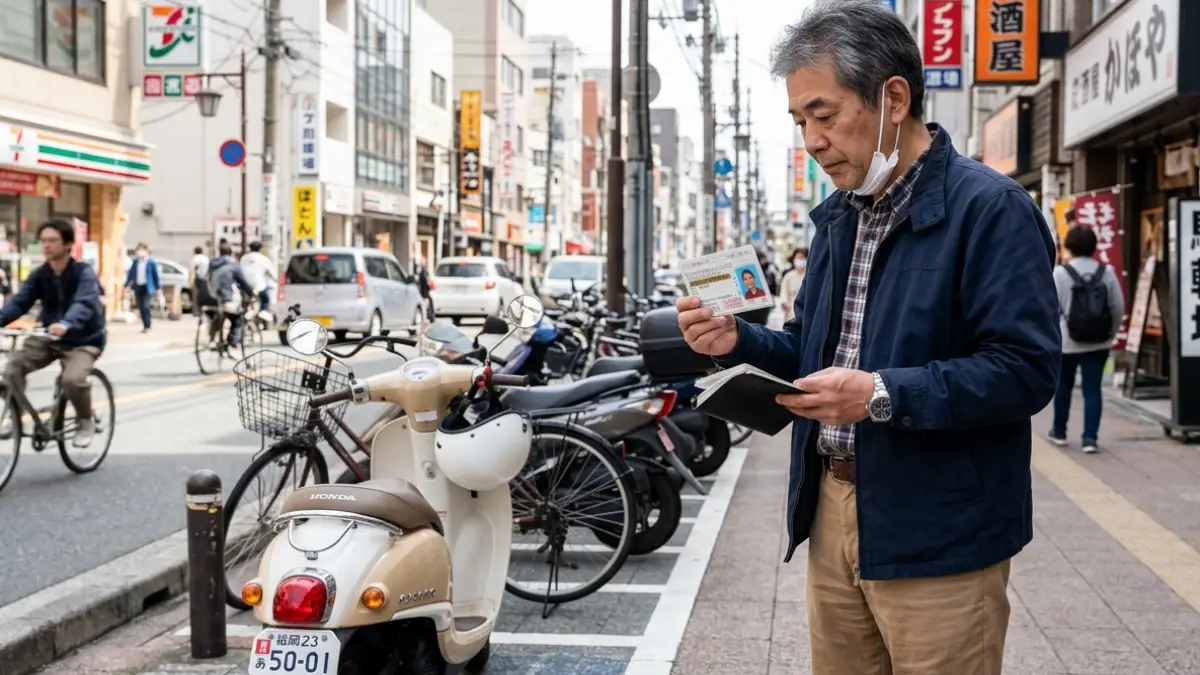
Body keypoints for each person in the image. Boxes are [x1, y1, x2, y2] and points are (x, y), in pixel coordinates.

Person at [674, 2, 1060, 673]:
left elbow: (1025, 369)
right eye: (800, 123)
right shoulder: (839, 219)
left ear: (894, 97)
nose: (812, 141)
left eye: (824, 115)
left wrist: (881, 394)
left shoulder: (990, 209)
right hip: (831, 508)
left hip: (942, 530)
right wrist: (733, 340)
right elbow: (807, 353)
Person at [0, 219, 105, 448]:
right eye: (43, 241)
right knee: (12, 367)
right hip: (47, 337)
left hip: (83, 340)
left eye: (52, 240)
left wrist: (67, 323)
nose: (46, 245)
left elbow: (84, 303)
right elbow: (20, 302)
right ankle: (15, 419)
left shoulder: (83, 273)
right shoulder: (41, 274)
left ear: (68, 244)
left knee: (72, 379)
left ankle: (85, 420)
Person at [1050, 226, 1124, 453]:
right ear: (1094, 247)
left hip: (1067, 341)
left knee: (1063, 386)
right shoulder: (1107, 272)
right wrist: (1111, 332)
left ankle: (1060, 432)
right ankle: (1090, 438)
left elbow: (1051, 308)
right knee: (1093, 389)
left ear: (1068, 246)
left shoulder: (1060, 274)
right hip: (1098, 341)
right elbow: (1117, 306)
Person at [204, 242, 256, 348]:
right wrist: (252, 293)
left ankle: (213, 339)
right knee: (238, 318)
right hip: (226, 298)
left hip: (210, 299)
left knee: (218, 316)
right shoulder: (233, 266)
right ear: (231, 253)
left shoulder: (212, 264)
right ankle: (232, 341)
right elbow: (243, 282)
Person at [124, 243, 161, 333]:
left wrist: (158, 288)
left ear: (146, 251)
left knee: (145, 305)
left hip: (147, 287)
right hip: (138, 286)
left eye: (141, 250)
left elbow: (156, 276)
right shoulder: (136, 262)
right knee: (140, 306)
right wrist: (126, 285)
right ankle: (145, 325)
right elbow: (131, 274)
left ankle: (148, 325)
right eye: (138, 250)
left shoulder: (151, 262)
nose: (139, 252)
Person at [239, 241, 276, 321]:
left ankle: (243, 313)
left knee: (243, 301)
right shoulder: (263, 258)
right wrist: (274, 279)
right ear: (260, 249)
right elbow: (273, 273)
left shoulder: (244, 258)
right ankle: (263, 311)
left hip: (245, 286)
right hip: (259, 286)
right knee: (265, 299)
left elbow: (240, 270)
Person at [779, 247, 807, 322]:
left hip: (806, 309)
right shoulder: (788, 276)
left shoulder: (809, 276)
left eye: (801, 258)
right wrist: (784, 303)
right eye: (797, 258)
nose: (799, 260)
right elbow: (784, 292)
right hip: (791, 310)